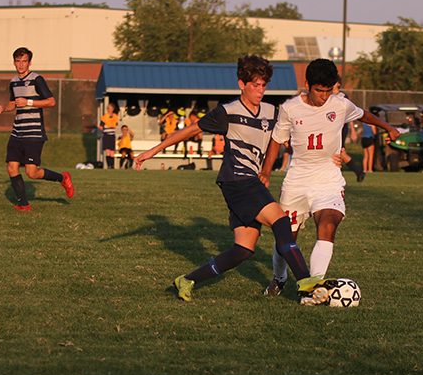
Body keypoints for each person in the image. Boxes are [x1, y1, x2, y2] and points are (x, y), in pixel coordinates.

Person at [134, 55, 329, 305]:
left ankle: (186, 280)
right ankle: (306, 282)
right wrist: (151, 152)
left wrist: (329, 154)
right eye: (255, 85)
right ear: (241, 84)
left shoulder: (271, 112)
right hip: (237, 180)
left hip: (249, 182)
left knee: (243, 250)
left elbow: (287, 139)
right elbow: (191, 130)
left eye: (263, 85)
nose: (260, 90)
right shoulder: (228, 112)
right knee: (281, 223)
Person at [260, 58, 401, 296]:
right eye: (318, 91)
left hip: (328, 179)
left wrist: (388, 127)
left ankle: (313, 288)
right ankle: (279, 278)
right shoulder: (290, 109)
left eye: (327, 91)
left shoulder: (340, 104)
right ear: (307, 84)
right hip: (297, 180)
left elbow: (363, 114)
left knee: (328, 224)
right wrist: (265, 171)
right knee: (287, 237)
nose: (323, 96)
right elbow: (276, 140)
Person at [0, 46, 74, 211]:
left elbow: (51, 102)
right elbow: (13, 103)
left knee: (32, 172)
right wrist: (4, 108)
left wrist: (29, 102)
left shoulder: (37, 79)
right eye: (18, 61)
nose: (21, 65)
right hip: (17, 132)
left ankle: (62, 178)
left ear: (29, 63)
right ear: (14, 62)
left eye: (24, 61)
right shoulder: (13, 82)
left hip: (34, 133)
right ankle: (24, 204)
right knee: (11, 167)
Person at [99, 102, 119, 169]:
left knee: (112, 151)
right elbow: (101, 126)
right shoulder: (104, 117)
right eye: (108, 108)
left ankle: (112, 166)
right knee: (107, 151)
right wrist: (103, 128)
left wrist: (110, 126)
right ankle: (109, 166)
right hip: (106, 135)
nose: (109, 109)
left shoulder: (115, 116)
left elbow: (116, 124)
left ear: (113, 109)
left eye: (110, 108)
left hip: (112, 135)